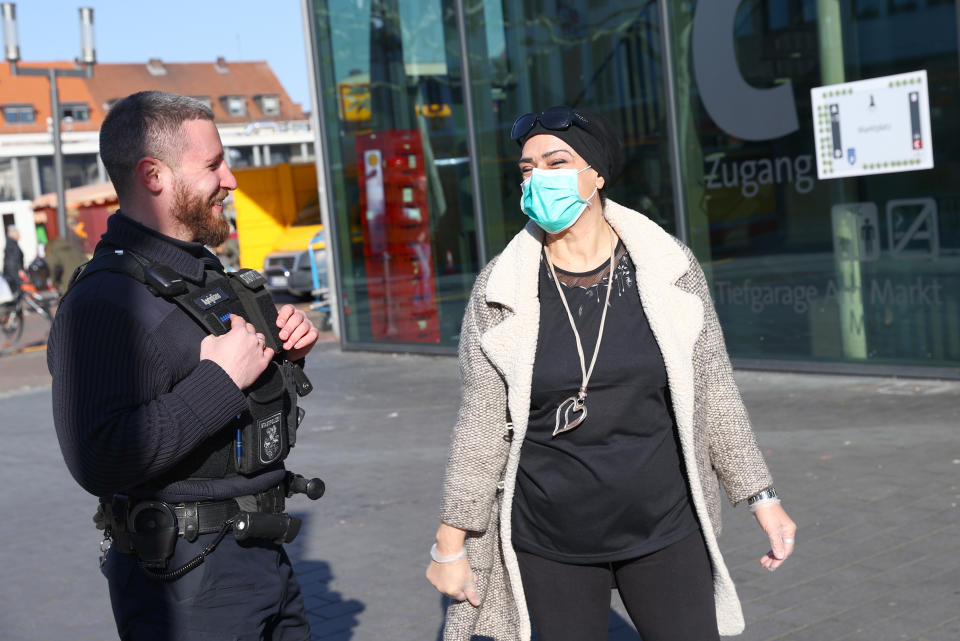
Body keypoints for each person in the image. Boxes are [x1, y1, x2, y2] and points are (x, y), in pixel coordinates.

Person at [426, 106, 797, 641]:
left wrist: (763, 499)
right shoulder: (499, 291)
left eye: (557, 162)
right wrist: (450, 542)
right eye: (527, 169)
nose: (537, 178)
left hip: (666, 527)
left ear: (597, 173)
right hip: (549, 539)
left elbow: (714, 392)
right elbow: (481, 426)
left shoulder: (670, 269)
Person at [47, 91, 320, 641]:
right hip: (185, 583)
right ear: (154, 176)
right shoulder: (106, 302)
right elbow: (99, 457)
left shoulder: (202, 273)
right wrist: (220, 382)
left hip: (259, 555)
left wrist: (288, 344)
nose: (231, 180)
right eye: (214, 165)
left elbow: (247, 368)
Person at [3, 226, 25, 296]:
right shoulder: (12, 244)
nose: (19, 235)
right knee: (17, 291)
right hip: (13, 271)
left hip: (11, 270)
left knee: (16, 291)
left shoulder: (11, 243)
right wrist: (20, 269)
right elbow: (15, 257)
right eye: (18, 233)